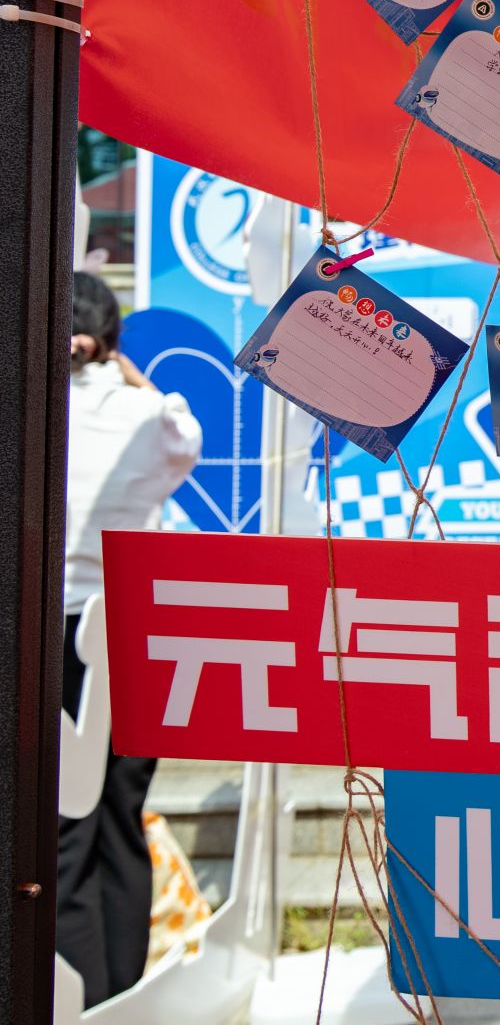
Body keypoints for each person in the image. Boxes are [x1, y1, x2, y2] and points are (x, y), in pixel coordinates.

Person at [60, 271, 202, 1005]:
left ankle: (78, 1000)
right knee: (121, 816)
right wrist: (124, 367)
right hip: (133, 630)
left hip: (57, 635)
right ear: (112, 339)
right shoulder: (155, 417)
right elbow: (183, 434)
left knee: (63, 829)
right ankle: (122, 995)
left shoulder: (38, 409)